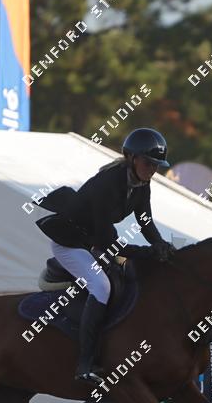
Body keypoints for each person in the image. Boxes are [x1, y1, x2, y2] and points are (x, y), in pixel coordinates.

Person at [36, 127, 177, 384]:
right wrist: (145, 252)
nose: (152, 170)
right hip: (71, 244)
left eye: (156, 165)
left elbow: (145, 221)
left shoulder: (141, 184)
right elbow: (105, 240)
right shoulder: (107, 183)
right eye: (148, 163)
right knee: (101, 286)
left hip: (93, 241)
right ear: (132, 157)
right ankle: (85, 364)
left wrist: (160, 244)